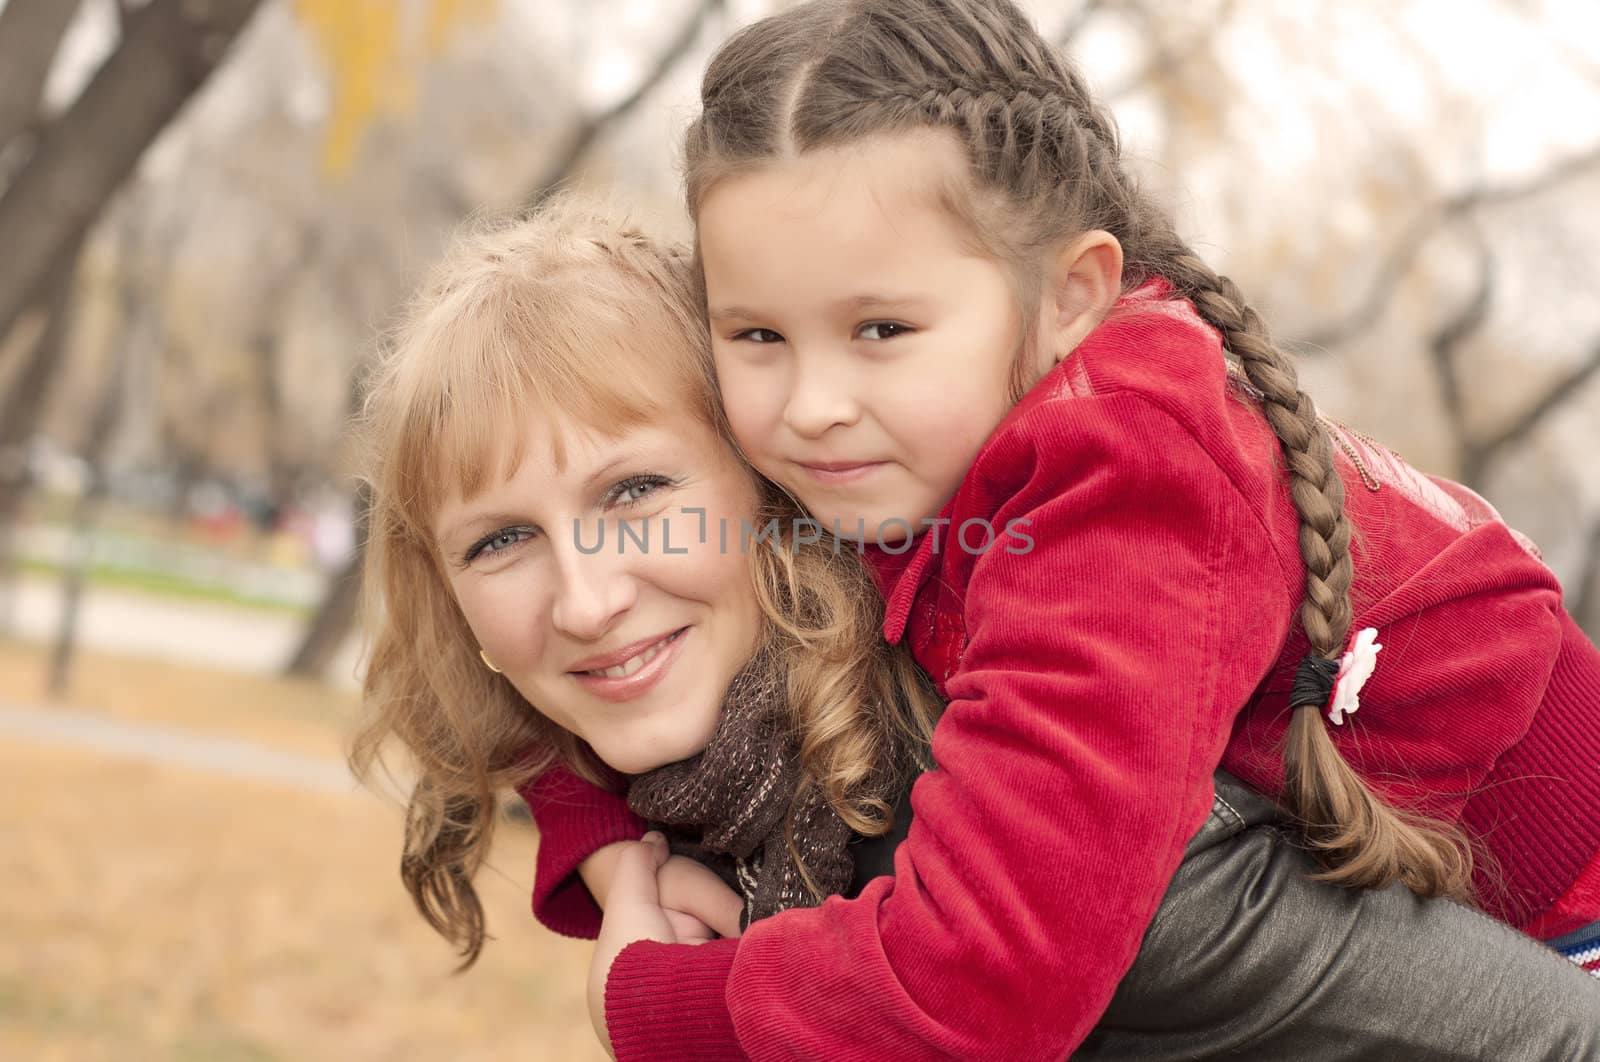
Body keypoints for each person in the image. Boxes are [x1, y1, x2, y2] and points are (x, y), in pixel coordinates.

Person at [503, 0, 1600, 1055]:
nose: (810, 401)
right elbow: (582, 637)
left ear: (1072, 292)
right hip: (1393, 931)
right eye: (755, 334)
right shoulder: (888, 441)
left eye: (880, 327)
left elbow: (990, 970)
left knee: (1122, 914)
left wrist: (659, 1005)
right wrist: (617, 868)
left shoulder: (1125, 462)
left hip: (1564, 925)